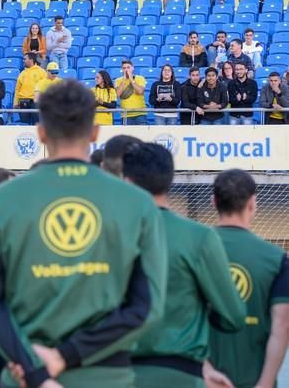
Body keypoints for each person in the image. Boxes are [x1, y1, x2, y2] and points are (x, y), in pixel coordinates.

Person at [0, 81, 167, 388]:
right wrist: (67, 355)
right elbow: (146, 306)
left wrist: (36, 370)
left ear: (41, 133)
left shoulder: (0, 200)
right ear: (95, 133)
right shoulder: (137, 202)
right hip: (105, 377)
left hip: (25, 377)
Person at [123, 144, 245, 388]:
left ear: (126, 180)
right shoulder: (199, 236)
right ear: (170, 179)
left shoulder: (109, 235)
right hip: (181, 374)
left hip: (119, 372)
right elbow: (233, 316)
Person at [206, 170, 289, 388]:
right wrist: (266, 382)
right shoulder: (276, 258)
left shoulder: (194, 248)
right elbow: (282, 324)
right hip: (254, 380)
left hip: (204, 380)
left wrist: (204, 370)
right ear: (253, 203)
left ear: (213, 202)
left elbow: (181, 315)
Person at [13, 53, 45, 125]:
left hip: (36, 102)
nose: (23, 61)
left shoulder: (41, 72)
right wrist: (15, 103)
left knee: (37, 124)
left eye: (25, 59)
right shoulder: (22, 73)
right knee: (24, 125)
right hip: (23, 101)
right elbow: (17, 89)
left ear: (31, 60)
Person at [115, 59, 148, 125]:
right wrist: (124, 80)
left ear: (133, 68)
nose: (126, 70)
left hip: (140, 114)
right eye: (124, 68)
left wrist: (131, 79)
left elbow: (140, 91)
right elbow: (117, 95)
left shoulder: (140, 78)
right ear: (122, 69)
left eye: (128, 67)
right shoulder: (118, 80)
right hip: (126, 114)